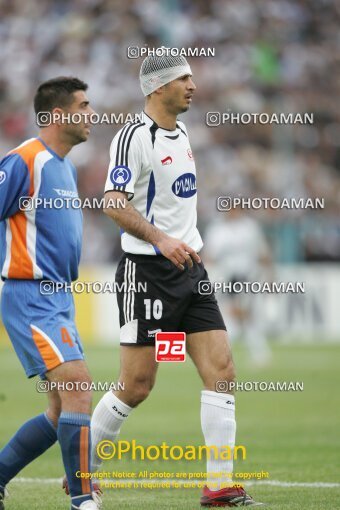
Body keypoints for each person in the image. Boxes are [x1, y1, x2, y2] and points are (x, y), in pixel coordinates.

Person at [90, 53, 263, 507]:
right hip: (147, 274)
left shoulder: (182, 131)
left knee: (222, 370)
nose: (192, 83)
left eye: (191, 75)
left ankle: (219, 485)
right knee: (138, 385)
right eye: (183, 78)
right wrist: (162, 240)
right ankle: (82, 470)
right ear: (157, 87)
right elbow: (112, 201)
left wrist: (185, 243)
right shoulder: (133, 137)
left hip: (191, 272)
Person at [0, 77, 100, 510]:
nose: (91, 115)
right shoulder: (25, 159)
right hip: (30, 295)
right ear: (58, 115)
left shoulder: (64, 167)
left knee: (62, 409)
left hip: (59, 298)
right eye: (83, 106)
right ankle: (84, 500)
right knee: (79, 386)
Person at [204, 206, 272, 366]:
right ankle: (255, 352)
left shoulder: (250, 227)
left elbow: (262, 253)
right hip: (225, 277)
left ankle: (240, 352)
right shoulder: (217, 229)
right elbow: (209, 256)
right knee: (234, 314)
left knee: (242, 313)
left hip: (247, 276)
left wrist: (269, 275)